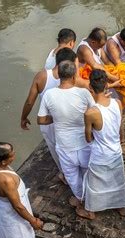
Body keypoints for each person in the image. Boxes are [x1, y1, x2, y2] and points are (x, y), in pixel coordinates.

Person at [21, 48, 85, 185]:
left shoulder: (42, 76)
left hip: (49, 122)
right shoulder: (75, 80)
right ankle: (79, 176)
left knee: (57, 151)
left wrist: (23, 117)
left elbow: (30, 101)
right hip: (69, 120)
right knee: (74, 148)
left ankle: (67, 175)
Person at [37, 60, 95, 206]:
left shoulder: (49, 95)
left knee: (72, 175)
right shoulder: (84, 93)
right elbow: (95, 114)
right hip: (85, 141)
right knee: (88, 172)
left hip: (64, 144)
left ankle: (81, 198)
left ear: (59, 76)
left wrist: (56, 118)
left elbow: (41, 120)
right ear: (75, 76)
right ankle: (92, 199)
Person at [79, 69, 125, 220]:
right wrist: (119, 138)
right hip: (115, 151)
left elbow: (88, 138)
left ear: (91, 89)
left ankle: (91, 211)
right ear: (107, 85)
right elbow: (120, 127)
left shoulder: (91, 113)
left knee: (95, 184)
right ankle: (121, 207)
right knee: (118, 179)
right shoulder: (117, 103)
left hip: (100, 154)